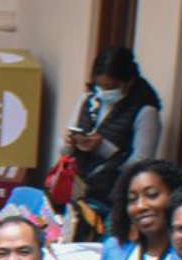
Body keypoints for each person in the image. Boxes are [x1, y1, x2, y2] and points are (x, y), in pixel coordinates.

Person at [63, 47, 164, 227]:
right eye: (99, 86)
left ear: (129, 82)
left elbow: (141, 163)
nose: (103, 92)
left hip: (109, 197)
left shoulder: (145, 112)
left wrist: (103, 148)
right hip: (76, 186)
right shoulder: (88, 100)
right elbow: (65, 147)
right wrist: (71, 142)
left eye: (110, 87)